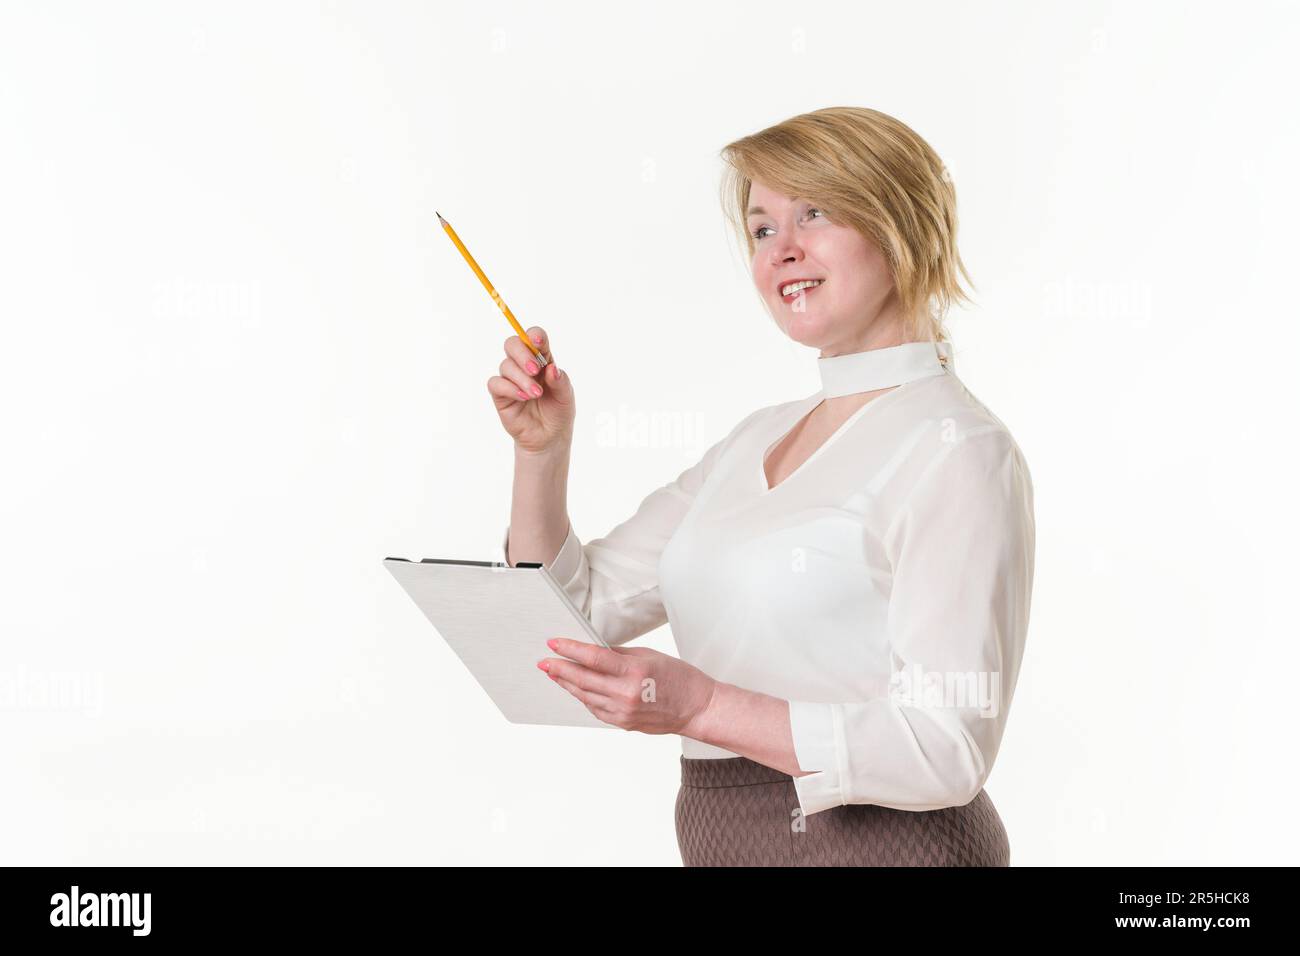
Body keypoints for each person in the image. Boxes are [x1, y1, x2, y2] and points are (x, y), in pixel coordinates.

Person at [489, 106, 1035, 867]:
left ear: (902, 225)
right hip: (724, 840)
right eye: (762, 228)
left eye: (815, 211)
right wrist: (541, 457)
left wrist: (706, 707)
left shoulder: (958, 450)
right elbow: (567, 627)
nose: (784, 250)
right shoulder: (755, 439)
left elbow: (946, 747)